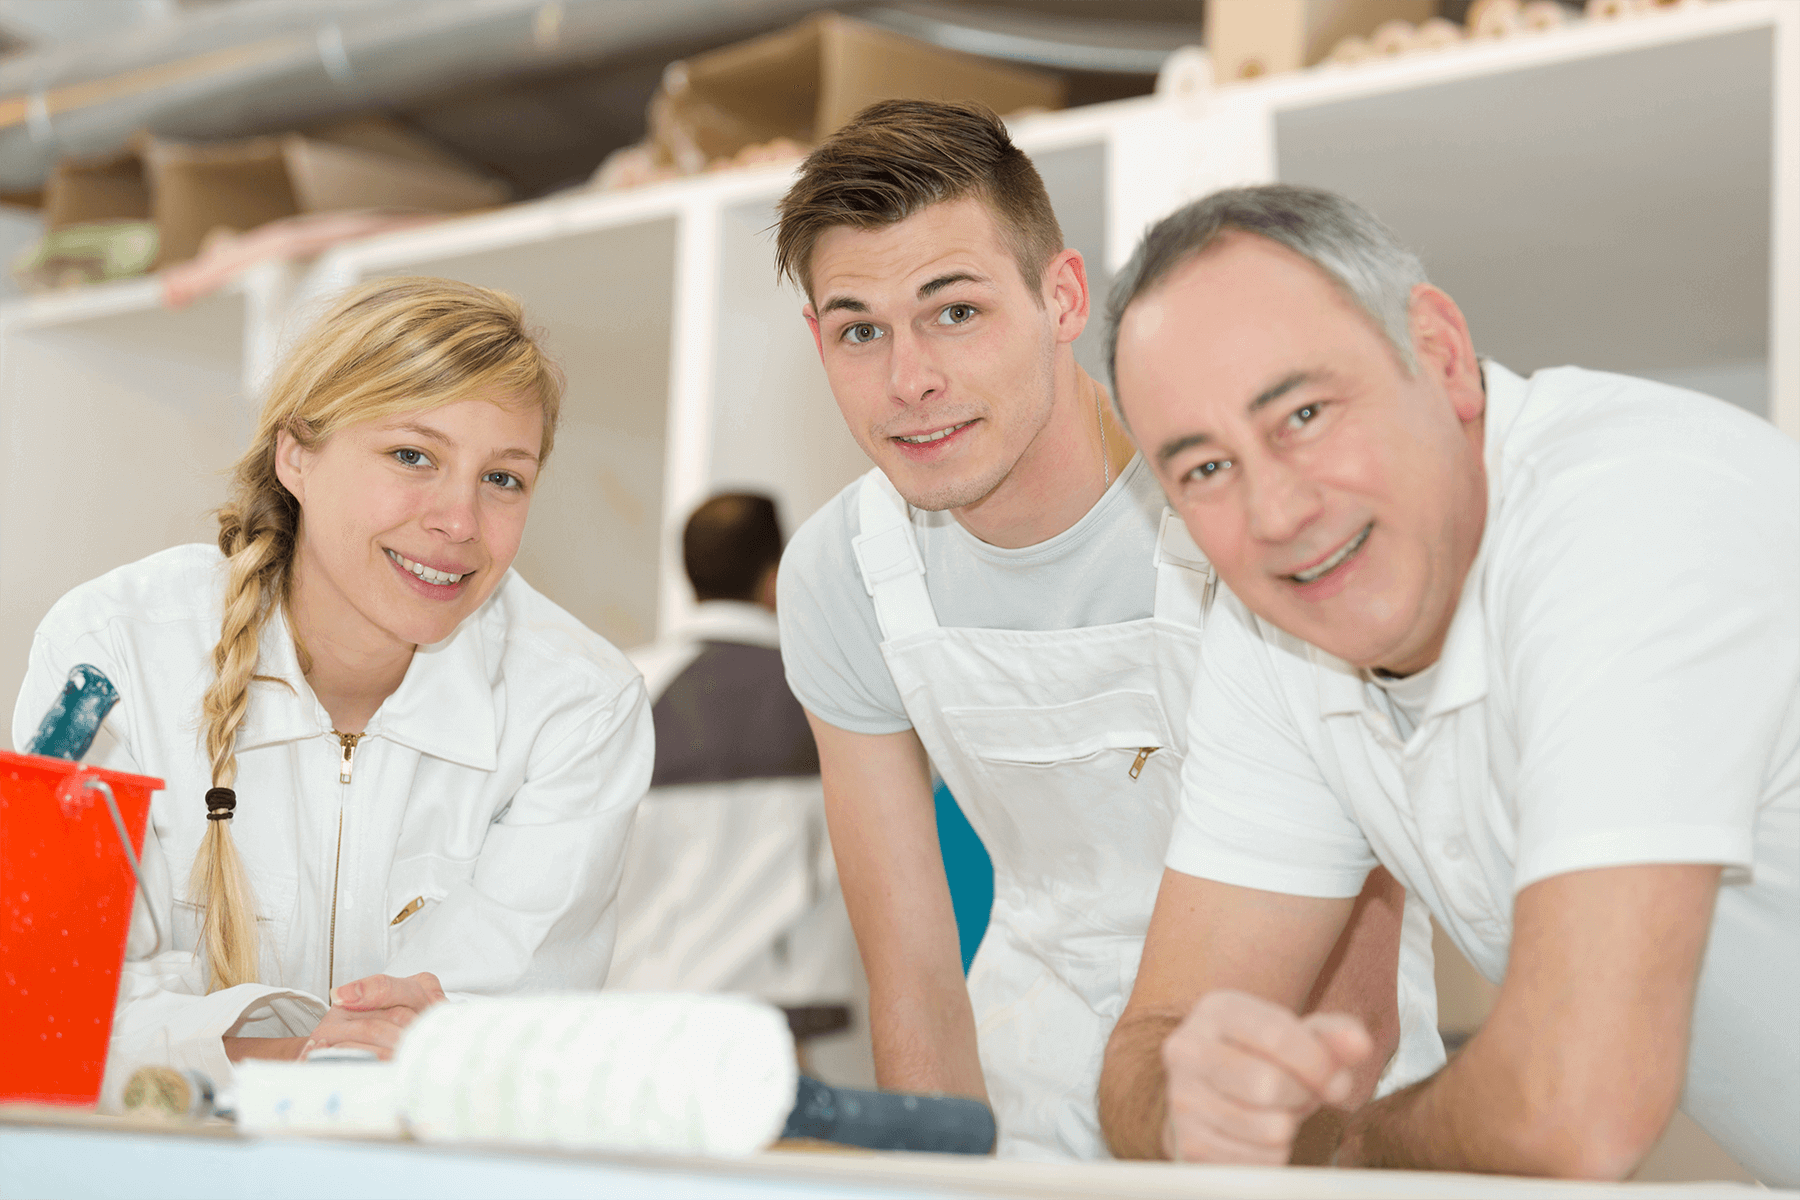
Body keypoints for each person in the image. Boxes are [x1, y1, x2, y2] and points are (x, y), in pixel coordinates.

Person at [771, 100, 1446, 1160]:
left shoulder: (1242, 514)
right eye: (861, 329)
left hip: (1304, 1117)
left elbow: (1349, 991)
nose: (911, 383)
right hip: (1029, 1090)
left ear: (1063, 297)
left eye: (956, 312)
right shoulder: (841, 573)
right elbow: (914, 977)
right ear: (818, 340)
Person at [1097, 184, 1799, 1183]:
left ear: (1439, 353)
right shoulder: (1279, 624)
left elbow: (1576, 1107)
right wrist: (1189, 1101)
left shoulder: (1633, 518)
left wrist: (1353, 1145)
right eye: (1205, 469)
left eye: (1302, 412)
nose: (1279, 509)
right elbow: (1156, 1041)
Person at [11, 277, 654, 1105]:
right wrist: (310, 1056)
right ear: (297, 455)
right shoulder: (112, 652)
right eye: (412, 456)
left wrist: (286, 1052)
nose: (459, 520)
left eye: (504, 479)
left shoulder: (577, 705)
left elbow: (508, 1037)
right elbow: (52, 1012)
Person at [611, 493, 855, 1012]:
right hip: (783, 1017)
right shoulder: (833, 697)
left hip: (640, 1009)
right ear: (774, 579)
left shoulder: (624, 690)